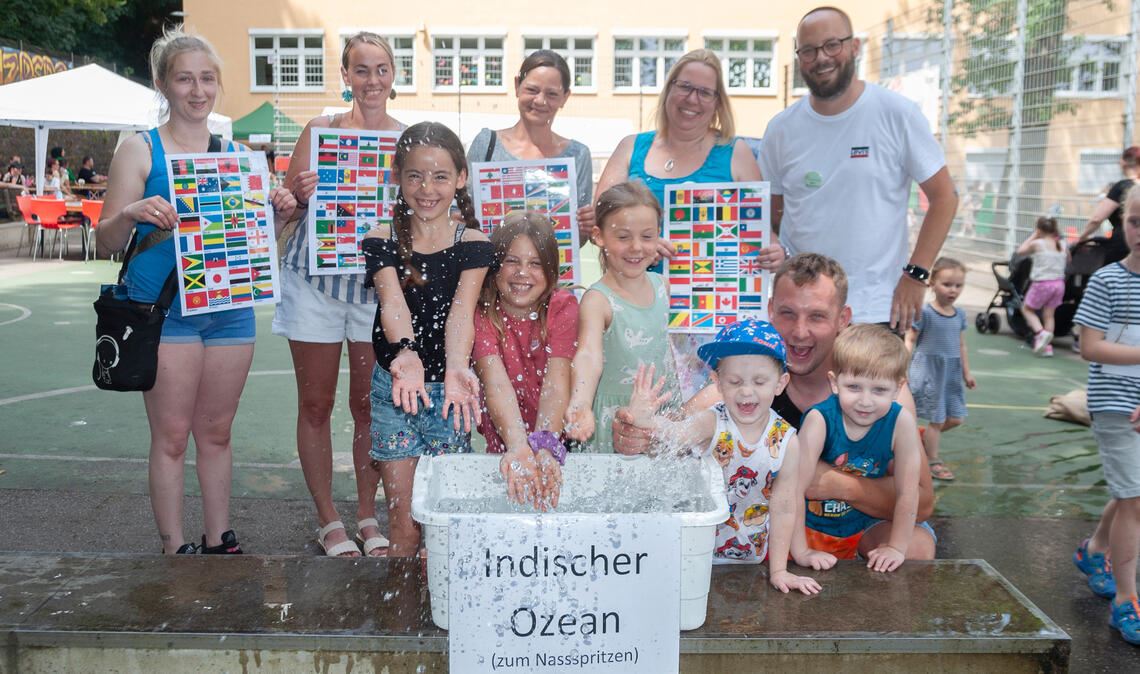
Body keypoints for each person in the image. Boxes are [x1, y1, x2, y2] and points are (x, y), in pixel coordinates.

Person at [95, 27, 296, 554]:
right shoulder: (139, 150)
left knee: (217, 432)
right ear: (163, 84)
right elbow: (105, 240)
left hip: (228, 308)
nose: (198, 90)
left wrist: (279, 218)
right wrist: (131, 212)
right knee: (171, 436)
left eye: (207, 79)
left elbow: (254, 246)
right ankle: (174, 546)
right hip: (163, 311)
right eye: (185, 79)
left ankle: (218, 536)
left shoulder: (237, 155)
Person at [609, 254, 937, 550]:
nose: (800, 331)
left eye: (817, 316)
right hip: (771, 529)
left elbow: (922, 503)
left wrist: (834, 484)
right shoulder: (745, 386)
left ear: (842, 318)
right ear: (770, 311)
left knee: (917, 546)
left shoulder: (879, 395)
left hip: (858, 527)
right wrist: (637, 433)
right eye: (787, 314)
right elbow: (668, 437)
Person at [278, 32, 406, 558]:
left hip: (376, 288)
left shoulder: (408, 139)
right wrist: (297, 195)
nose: (372, 80)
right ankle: (328, 518)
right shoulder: (320, 129)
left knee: (368, 405)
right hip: (315, 283)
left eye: (381, 69)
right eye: (361, 69)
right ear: (346, 76)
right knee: (316, 403)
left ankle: (367, 516)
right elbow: (288, 204)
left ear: (393, 76)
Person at [758, 6, 957, 329]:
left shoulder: (897, 114)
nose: (821, 58)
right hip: (801, 313)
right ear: (799, 58)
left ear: (854, 47)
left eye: (831, 45)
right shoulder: (781, 129)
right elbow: (773, 211)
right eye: (808, 50)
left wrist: (916, 274)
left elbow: (945, 197)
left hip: (876, 309)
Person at [361, 121, 493, 558]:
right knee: (403, 521)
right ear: (397, 176)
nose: (427, 188)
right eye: (415, 176)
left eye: (440, 176)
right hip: (396, 388)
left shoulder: (473, 243)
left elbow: (461, 313)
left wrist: (456, 367)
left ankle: (441, 597)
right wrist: (406, 354)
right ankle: (402, 601)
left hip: (450, 395)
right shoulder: (381, 239)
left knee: (442, 519)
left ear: (461, 178)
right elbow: (392, 303)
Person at [625, 321, 825, 594]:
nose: (746, 391)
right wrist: (645, 419)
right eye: (734, 381)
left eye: (759, 381)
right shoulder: (712, 422)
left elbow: (785, 506)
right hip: (696, 552)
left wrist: (779, 570)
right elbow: (673, 435)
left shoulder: (787, 441)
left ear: (780, 383)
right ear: (717, 382)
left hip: (752, 557)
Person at [595, 49, 783, 270]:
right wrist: (644, 245)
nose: (693, 99)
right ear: (669, 89)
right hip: (635, 289)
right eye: (685, 87)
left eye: (705, 92)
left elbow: (761, 230)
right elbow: (600, 222)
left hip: (713, 289)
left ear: (717, 103)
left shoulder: (736, 153)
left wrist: (775, 251)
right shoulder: (630, 147)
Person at [1071, 184, 1140, 646]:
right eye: (1135, 221)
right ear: (1122, 224)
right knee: (1136, 498)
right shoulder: (1108, 281)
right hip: (1115, 403)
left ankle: (1095, 547)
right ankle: (1126, 599)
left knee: (1131, 490)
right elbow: (1090, 347)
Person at [797, 324, 923, 570]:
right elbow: (791, 490)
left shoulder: (901, 422)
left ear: (898, 389)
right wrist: (801, 550)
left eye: (879, 390)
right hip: (808, 528)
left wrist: (896, 547)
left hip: (859, 527)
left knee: (914, 551)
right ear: (834, 383)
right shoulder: (819, 420)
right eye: (854, 387)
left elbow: (909, 491)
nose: (865, 401)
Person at [473, 211, 577, 509]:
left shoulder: (563, 307)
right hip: (504, 440)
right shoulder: (482, 312)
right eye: (512, 261)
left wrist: (545, 444)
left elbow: (556, 384)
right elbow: (495, 383)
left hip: (557, 442)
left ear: (551, 270)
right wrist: (518, 445)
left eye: (535, 263)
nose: (522, 273)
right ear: (494, 267)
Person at [565, 181, 674, 453]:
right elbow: (588, 355)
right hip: (615, 420)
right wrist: (581, 402)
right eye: (623, 237)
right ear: (599, 236)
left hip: (660, 412)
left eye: (647, 236)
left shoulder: (664, 286)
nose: (636, 247)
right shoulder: (598, 300)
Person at [466, 50, 595, 243]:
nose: (540, 101)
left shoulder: (578, 155)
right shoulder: (487, 144)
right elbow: (461, 207)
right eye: (532, 90)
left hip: (551, 263)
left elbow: (577, 240)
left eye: (552, 94)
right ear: (517, 86)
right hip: (489, 262)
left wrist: (586, 226)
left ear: (565, 97)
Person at [904, 257, 976, 482]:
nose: (953, 290)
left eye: (958, 285)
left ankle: (925, 438)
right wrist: (902, 367)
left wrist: (966, 372)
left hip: (950, 373)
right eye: (947, 284)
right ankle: (932, 460)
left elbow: (961, 345)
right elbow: (910, 339)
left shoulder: (960, 315)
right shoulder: (925, 312)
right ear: (932, 283)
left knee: (956, 418)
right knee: (936, 419)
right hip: (929, 371)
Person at [1077, 146, 1140, 266]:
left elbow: (1096, 219)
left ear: (1123, 162)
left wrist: (1082, 238)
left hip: (1122, 246)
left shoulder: (1122, 187)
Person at [1017, 216, 1069, 356]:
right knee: (1049, 316)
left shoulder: (1038, 243)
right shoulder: (1062, 244)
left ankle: (1040, 333)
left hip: (1042, 284)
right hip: (1059, 284)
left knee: (1027, 309)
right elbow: (1068, 258)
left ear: (1039, 230)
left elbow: (1020, 251)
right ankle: (1047, 348)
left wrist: (1034, 235)